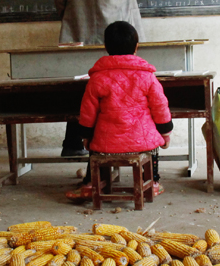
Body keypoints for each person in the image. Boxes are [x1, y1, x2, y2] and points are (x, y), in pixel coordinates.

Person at [54, 0, 184, 156]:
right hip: (117, 39)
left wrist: (70, 18)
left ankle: (73, 143)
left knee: (83, 90)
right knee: (123, 91)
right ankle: (124, 143)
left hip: (78, 35)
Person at [65, 21, 173, 202]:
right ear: (136, 47)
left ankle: (91, 183)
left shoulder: (97, 78)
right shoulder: (147, 76)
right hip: (143, 142)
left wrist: (86, 137)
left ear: (106, 47)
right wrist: (166, 134)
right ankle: (153, 182)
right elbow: (160, 107)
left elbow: (88, 112)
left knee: (93, 146)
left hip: (106, 143)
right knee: (154, 145)